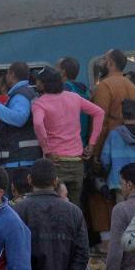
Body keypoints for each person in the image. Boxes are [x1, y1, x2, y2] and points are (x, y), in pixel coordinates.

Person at [32, 68, 105, 206]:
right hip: (77, 162)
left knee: (56, 204)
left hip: (56, 162)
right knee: (75, 205)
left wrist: (47, 150)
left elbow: (37, 123)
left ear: (43, 84)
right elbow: (99, 112)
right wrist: (92, 143)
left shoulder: (40, 103)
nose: (36, 84)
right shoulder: (74, 97)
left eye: (37, 81)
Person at [0, 61, 42, 190]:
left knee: (17, 202)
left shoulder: (20, 95)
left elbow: (19, 119)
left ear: (11, 74)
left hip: (18, 160)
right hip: (26, 158)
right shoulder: (29, 92)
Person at [92, 49, 135, 152]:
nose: (101, 62)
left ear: (110, 63)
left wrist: (96, 150)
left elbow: (101, 122)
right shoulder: (133, 87)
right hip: (131, 144)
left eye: (104, 59)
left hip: (110, 145)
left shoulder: (104, 86)